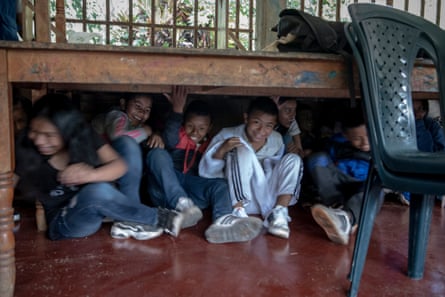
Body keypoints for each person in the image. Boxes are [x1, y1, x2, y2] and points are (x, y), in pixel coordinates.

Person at [14, 93, 183, 241]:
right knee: (97, 191)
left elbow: (120, 166)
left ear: (68, 131)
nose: (39, 141)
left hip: (101, 203)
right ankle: (160, 218)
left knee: (123, 151)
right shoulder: (27, 149)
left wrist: (89, 175)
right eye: (35, 132)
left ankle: (130, 217)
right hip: (66, 220)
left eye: (49, 135)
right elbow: (8, 183)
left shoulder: (83, 135)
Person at [145, 86, 263, 244]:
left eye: (201, 128)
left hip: (193, 196)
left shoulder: (209, 144)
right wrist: (177, 111)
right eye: (190, 126)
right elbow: (170, 136)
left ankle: (222, 221)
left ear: (210, 127)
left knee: (220, 185)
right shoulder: (176, 137)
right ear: (183, 124)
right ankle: (180, 204)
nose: (195, 132)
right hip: (165, 192)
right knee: (157, 154)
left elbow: (214, 168)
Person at [199, 97, 304, 239]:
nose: (262, 130)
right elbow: (208, 173)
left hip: (267, 199)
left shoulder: (277, 139)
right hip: (236, 199)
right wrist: (222, 150)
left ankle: (279, 214)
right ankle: (238, 214)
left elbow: (277, 171)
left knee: (294, 159)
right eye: (256, 122)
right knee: (241, 149)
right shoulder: (227, 134)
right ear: (246, 118)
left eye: (269, 126)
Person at [306, 107, 373, 245]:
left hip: (362, 187)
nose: (365, 142)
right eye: (357, 138)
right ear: (346, 136)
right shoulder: (336, 143)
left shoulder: (381, 147)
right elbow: (322, 168)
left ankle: (346, 219)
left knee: (375, 187)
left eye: (368, 136)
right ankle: (335, 208)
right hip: (338, 186)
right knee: (317, 158)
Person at [92, 93, 163, 202]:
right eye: (138, 106)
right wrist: (145, 131)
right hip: (95, 165)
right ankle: (131, 204)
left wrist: (155, 134)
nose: (142, 112)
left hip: (111, 168)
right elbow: (118, 136)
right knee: (129, 145)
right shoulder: (116, 115)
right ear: (123, 104)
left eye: (147, 110)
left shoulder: (135, 125)